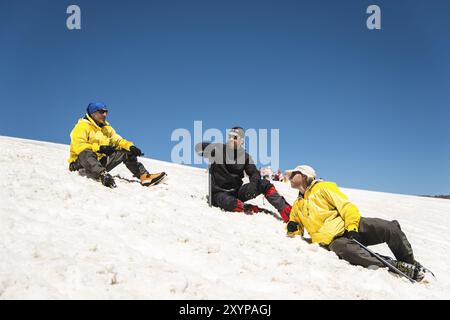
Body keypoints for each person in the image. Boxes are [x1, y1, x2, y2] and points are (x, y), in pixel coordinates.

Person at [285, 164, 427, 281]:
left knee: (389, 228)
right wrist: (292, 228)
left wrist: (352, 227)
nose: (290, 178)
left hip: (351, 225)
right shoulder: (297, 205)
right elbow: (296, 231)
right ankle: (395, 265)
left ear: (303, 175)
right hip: (333, 240)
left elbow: (346, 206)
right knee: (349, 251)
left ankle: (410, 263)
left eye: (293, 174)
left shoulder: (323, 188)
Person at [195, 127, 292, 221]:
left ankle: (286, 211)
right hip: (219, 193)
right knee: (227, 202)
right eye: (230, 137)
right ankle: (250, 208)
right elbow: (199, 147)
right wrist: (204, 147)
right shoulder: (218, 149)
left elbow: (254, 173)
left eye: (235, 137)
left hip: (236, 192)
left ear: (242, 141)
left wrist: (254, 185)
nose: (232, 139)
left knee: (264, 184)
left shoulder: (245, 157)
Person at [68, 102, 166, 188]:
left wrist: (130, 147)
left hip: (99, 162)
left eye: (106, 112)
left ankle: (144, 177)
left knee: (126, 152)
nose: (105, 114)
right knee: (86, 152)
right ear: (93, 113)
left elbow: (118, 140)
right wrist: (100, 148)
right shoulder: (81, 127)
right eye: (101, 112)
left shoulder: (106, 128)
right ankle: (102, 175)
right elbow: (79, 146)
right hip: (81, 164)